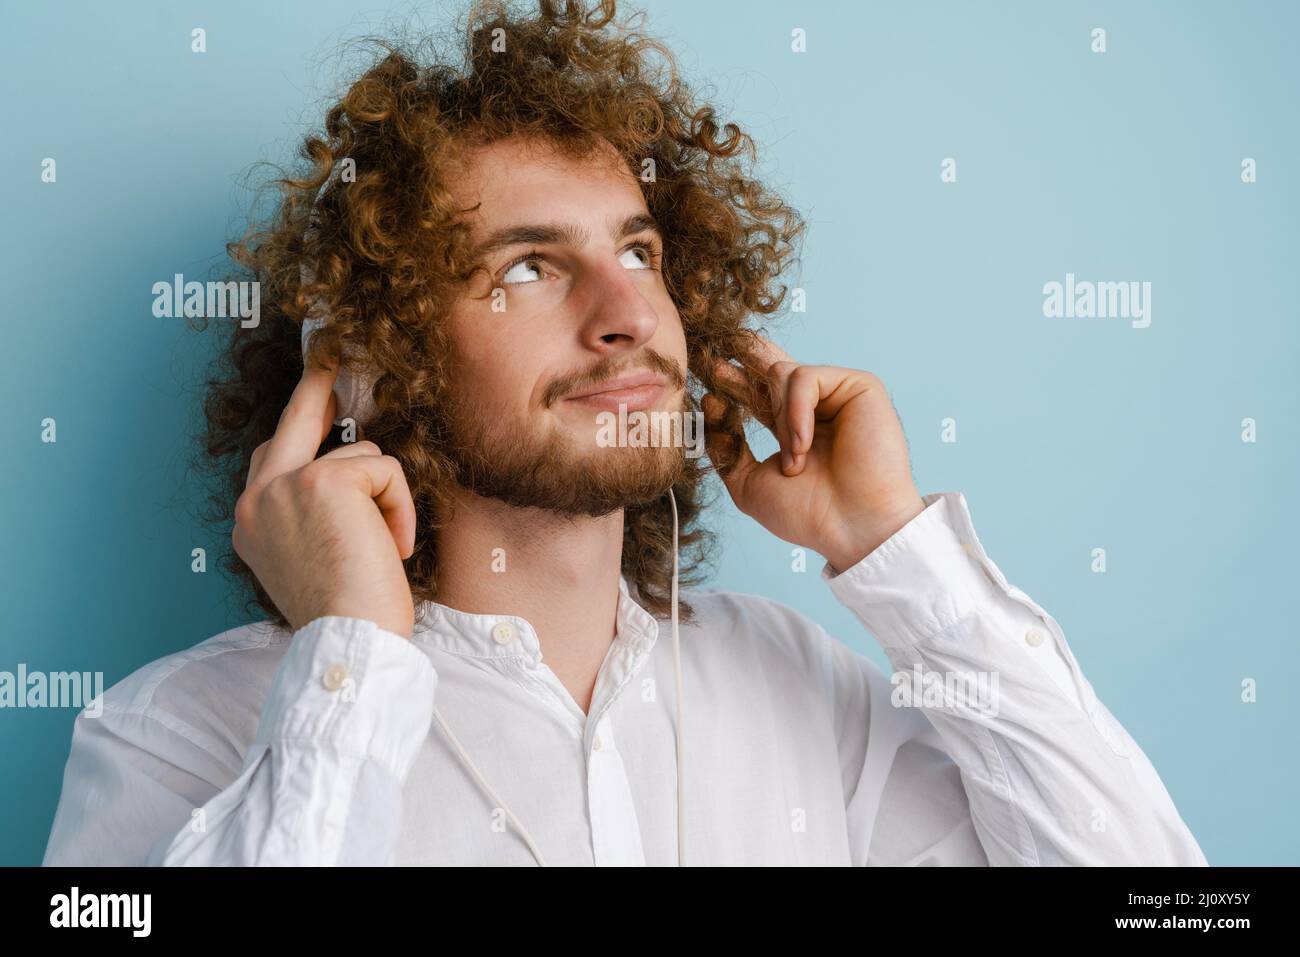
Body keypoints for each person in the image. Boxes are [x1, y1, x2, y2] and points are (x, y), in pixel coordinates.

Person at [42, 0, 1205, 866]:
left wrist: (897, 553)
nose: (631, 316)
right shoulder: (172, 737)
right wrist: (347, 658)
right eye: (532, 267)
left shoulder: (794, 683)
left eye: (640, 253)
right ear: (373, 365)